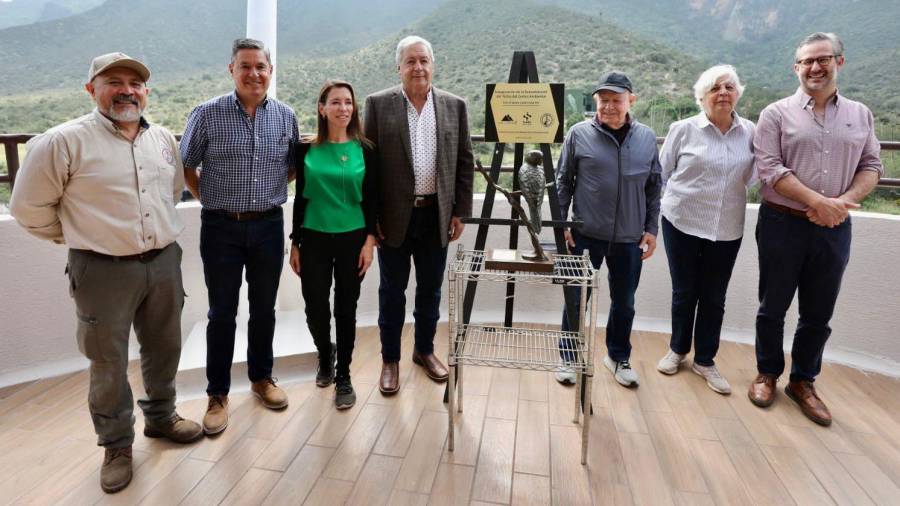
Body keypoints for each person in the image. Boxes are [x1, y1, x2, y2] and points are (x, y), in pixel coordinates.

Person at [9, 52, 203, 493]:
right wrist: (78, 237)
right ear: (91, 89)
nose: (126, 90)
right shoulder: (62, 142)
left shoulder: (162, 141)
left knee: (164, 345)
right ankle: (116, 444)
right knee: (107, 360)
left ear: (146, 92)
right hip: (100, 270)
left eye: (135, 83)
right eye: (113, 81)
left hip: (162, 261)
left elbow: (171, 194)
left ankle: (161, 416)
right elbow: (26, 208)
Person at [749, 32, 882, 425]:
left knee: (819, 311)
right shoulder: (776, 113)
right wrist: (818, 202)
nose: (814, 67)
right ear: (796, 68)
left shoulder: (861, 115)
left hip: (835, 226)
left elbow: (872, 167)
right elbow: (770, 170)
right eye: (806, 61)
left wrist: (839, 205)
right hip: (781, 223)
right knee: (772, 306)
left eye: (823, 59)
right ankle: (767, 373)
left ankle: (803, 381)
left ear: (840, 62)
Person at [180, 38, 299, 434]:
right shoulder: (208, 114)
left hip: (268, 224)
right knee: (222, 313)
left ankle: (262, 379)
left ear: (271, 70)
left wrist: (266, 194)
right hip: (220, 227)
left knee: (265, 309)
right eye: (245, 66)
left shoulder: (285, 116)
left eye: (260, 66)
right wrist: (210, 199)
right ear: (231, 70)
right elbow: (186, 165)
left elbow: (292, 167)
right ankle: (217, 394)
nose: (254, 73)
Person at [363, 35, 474, 395]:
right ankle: (390, 360)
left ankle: (423, 351)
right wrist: (371, 219)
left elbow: (464, 162)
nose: (418, 67)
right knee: (391, 292)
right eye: (410, 61)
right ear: (399, 67)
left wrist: (461, 211)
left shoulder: (455, 106)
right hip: (393, 218)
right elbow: (369, 166)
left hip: (437, 216)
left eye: (423, 60)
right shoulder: (378, 105)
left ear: (433, 64)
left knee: (430, 290)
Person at [556, 71, 662, 388]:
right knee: (576, 298)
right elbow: (563, 182)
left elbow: (654, 188)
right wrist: (562, 224)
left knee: (624, 302)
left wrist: (651, 229)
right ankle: (568, 356)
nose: (609, 106)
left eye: (616, 100)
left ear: (631, 100)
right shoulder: (578, 134)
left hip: (629, 238)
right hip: (585, 234)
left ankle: (617, 356)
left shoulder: (646, 138)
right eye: (603, 100)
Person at [655, 65, 756, 395]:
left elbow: (755, 177)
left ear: (737, 94)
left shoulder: (750, 132)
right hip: (681, 222)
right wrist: (677, 201)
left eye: (729, 87)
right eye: (715, 88)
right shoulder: (683, 129)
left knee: (714, 296)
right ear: (702, 97)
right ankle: (678, 350)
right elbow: (662, 173)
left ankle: (705, 360)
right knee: (685, 291)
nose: (723, 92)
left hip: (726, 227)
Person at [289, 80, 378, 410]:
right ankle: (325, 354)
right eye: (336, 102)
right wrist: (294, 242)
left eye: (348, 102)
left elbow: (372, 201)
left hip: (353, 238)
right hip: (312, 237)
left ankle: (344, 376)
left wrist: (370, 241)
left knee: (346, 307)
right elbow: (300, 198)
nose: (344, 108)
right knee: (314, 306)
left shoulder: (366, 150)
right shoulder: (305, 149)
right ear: (322, 108)